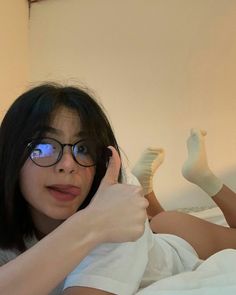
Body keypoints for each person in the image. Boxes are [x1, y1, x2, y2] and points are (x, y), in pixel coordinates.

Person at [0, 83, 149, 295]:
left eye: (84, 148)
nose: (68, 165)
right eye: (43, 146)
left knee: (170, 221)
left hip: (172, 249)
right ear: (10, 154)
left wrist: (97, 222)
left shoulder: (116, 200)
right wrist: (91, 224)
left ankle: (152, 192)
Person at [132, 128, 236, 259]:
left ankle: (203, 175)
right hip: (162, 228)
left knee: (165, 222)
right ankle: (203, 175)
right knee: (165, 222)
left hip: (155, 230)